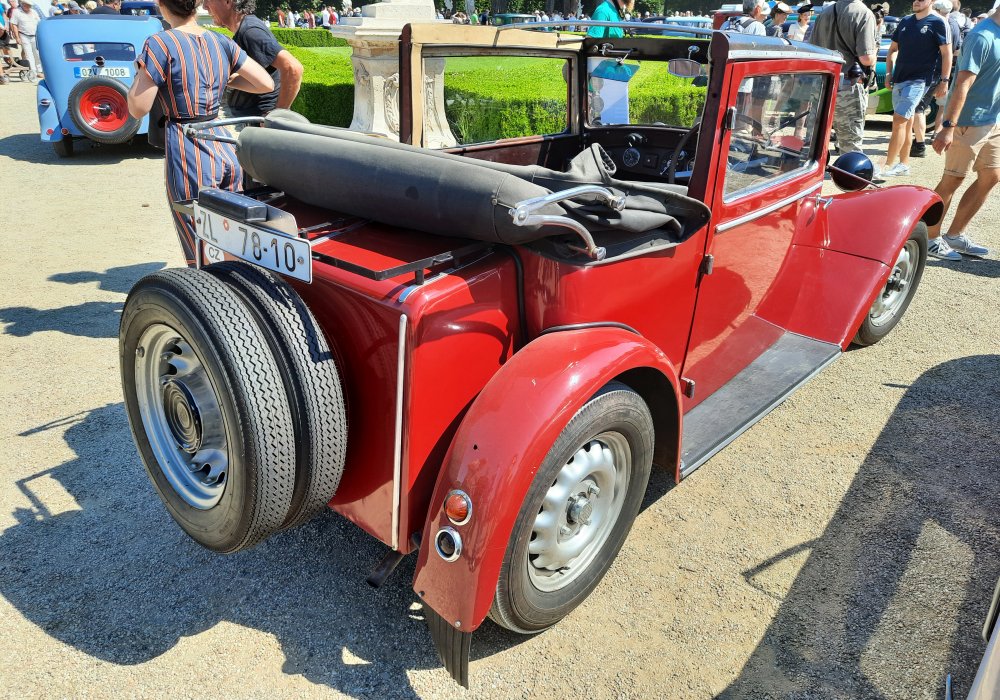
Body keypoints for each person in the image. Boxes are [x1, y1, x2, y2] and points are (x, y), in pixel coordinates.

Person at [126, 0, 273, 265]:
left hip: (188, 148)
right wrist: (225, 80)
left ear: (162, 5)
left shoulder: (160, 43)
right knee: (233, 235)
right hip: (223, 143)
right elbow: (265, 82)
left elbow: (138, 108)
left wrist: (140, 75)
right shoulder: (220, 41)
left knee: (199, 240)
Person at [924, 9, 997, 259]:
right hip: (967, 121)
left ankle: (954, 235)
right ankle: (930, 237)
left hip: (993, 120)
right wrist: (948, 127)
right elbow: (963, 84)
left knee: (992, 176)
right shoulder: (982, 36)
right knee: (953, 178)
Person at [880, 0, 950, 176]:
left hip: (919, 81)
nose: (916, 1)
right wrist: (888, 73)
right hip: (899, 79)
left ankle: (886, 166)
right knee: (906, 122)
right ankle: (903, 164)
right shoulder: (905, 21)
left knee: (899, 120)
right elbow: (893, 49)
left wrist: (944, 80)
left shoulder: (938, 22)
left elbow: (946, 53)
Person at [203, 0, 303, 118]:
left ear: (228, 2)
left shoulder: (250, 32)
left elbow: (293, 68)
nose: (204, 6)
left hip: (260, 119)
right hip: (255, 117)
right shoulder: (246, 28)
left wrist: (278, 116)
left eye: (207, 0)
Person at [809, 0, 877, 154]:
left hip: (822, 84)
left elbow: (812, 51)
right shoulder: (863, 13)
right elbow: (866, 58)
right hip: (848, 86)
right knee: (849, 146)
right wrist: (874, 52)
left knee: (816, 144)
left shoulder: (824, 13)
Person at [9, 0, 41, 79]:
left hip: (34, 35)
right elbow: (14, 24)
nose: (29, 6)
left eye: (30, 5)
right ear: (23, 4)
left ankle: (39, 71)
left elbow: (39, 22)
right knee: (28, 54)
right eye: (27, 5)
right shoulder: (16, 12)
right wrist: (17, 37)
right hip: (23, 35)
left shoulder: (34, 12)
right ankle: (33, 71)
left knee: (37, 53)